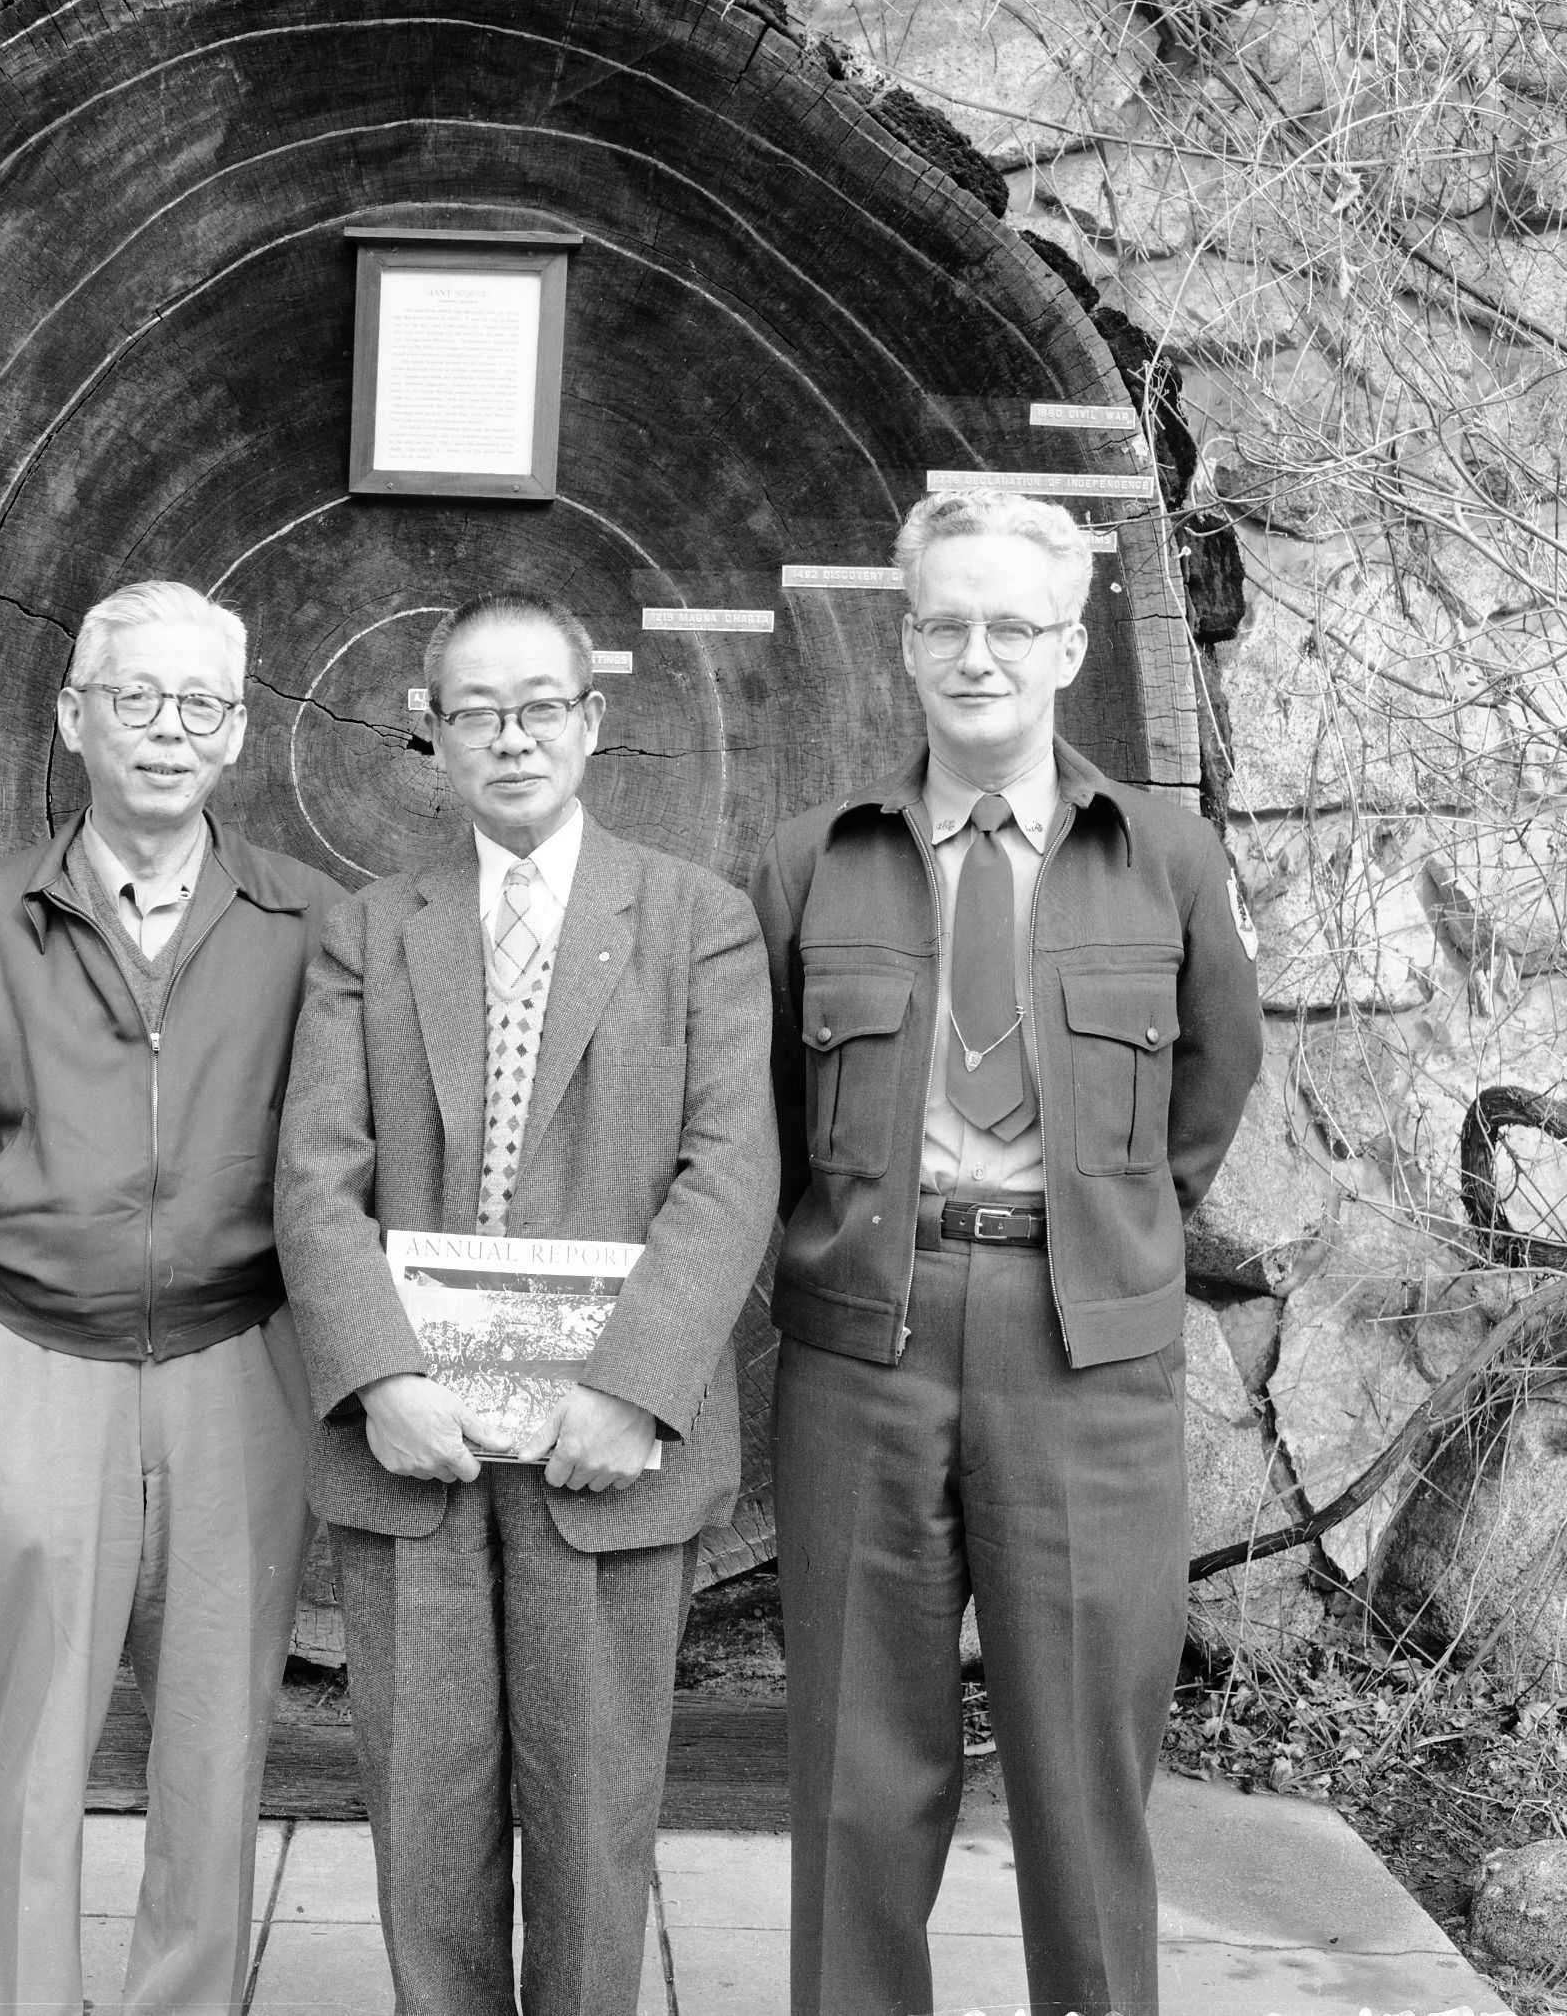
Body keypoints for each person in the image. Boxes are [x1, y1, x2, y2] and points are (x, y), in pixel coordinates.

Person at [748, 489, 1266, 2016]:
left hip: (1079, 1353)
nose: (978, 655)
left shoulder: (1162, 856)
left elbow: (1210, 1085)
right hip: (866, 1348)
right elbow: (769, 1109)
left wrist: (1102, 1236)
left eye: (1012, 626)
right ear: (905, 643)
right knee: (855, 1771)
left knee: (1080, 1770)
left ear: (1069, 645)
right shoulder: (807, 864)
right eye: (947, 624)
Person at [275, 589, 777, 2016]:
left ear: (590, 722)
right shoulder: (370, 930)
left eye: (538, 705)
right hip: (414, 1445)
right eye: (476, 711)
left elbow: (729, 1171)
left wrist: (632, 1385)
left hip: (602, 1444)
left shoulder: (696, 922)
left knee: (593, 1816)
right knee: (423, 1816)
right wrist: (379, 1377)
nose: (510, 737)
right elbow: (314, 1172)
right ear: (431, 733)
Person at [0, 580, 343, 2016]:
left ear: (239, 732)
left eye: (198, 702)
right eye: (133, 696)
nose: (165, 729)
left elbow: (338, 1172)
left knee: (214, 1741)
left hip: (236, 1363)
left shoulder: (312, 921)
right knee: (26, 1739)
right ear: (74, 717)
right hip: (32, 1359)